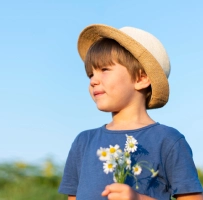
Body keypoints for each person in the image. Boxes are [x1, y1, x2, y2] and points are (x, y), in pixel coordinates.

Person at [58, 24, 203, 200]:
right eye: (90, 74)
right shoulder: (83, 142)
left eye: (104, 69)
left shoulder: (169, 140)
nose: (93, 80)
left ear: (141, 78)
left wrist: (138, 198)